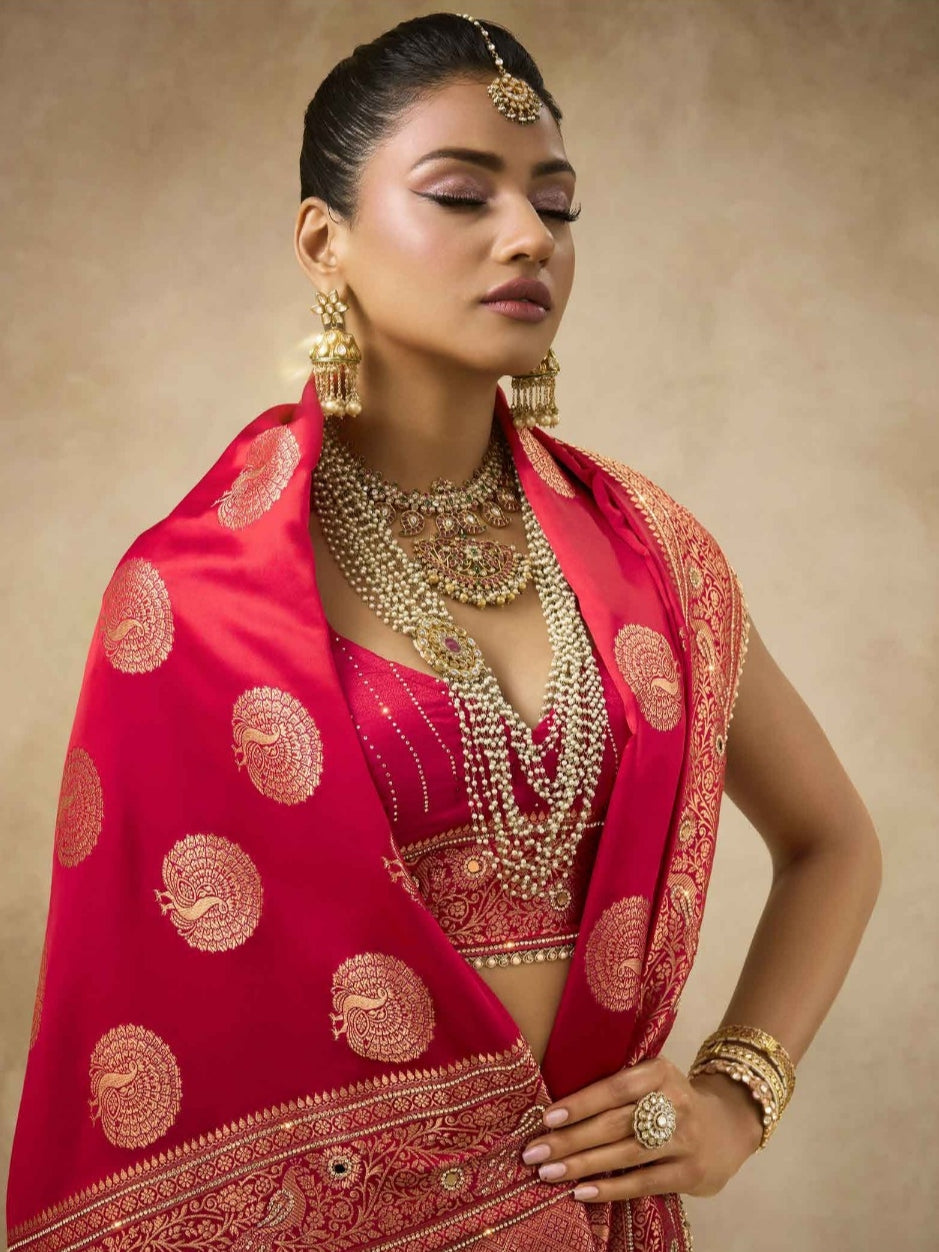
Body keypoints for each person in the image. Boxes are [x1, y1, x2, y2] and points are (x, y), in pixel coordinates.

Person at [5, 12, 882, 1251]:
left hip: (602, 1224)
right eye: (461, 194)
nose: (528, 235)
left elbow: (834, 838)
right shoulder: (188, 603)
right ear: (327, 244)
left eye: (557, 205)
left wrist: (738, 1098)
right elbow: (135, 1027)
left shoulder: (650, 556)